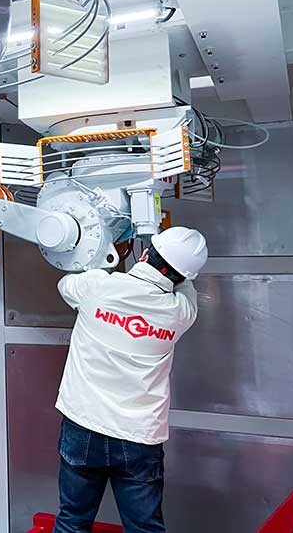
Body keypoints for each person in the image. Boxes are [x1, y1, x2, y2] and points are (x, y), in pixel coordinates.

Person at [53, 226, 208, 533]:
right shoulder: (180, 312)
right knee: (144, 528)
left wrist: (106, 257)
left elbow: (65, 283)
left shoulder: (98, 287)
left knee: (72, 522)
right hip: (139, 437)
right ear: (183, 277)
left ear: (145, 254)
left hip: (84, 425)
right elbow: (185, 287)